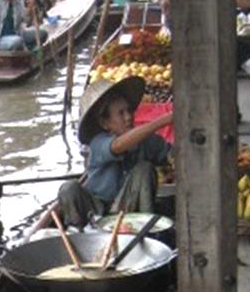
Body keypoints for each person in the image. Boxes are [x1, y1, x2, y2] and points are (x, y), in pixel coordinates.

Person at [58, 76, 172, 228]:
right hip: (96, 212)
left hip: (126, 211)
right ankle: (78, 233)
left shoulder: (147, 141)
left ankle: (146, 231)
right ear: (105, 123)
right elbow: (118, 146)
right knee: (69, 188)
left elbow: (172, 155)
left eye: (129, 111)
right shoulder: (98, 143)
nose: (128, 117)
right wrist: (162, 121)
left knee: (144, 169)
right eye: (121, 113)